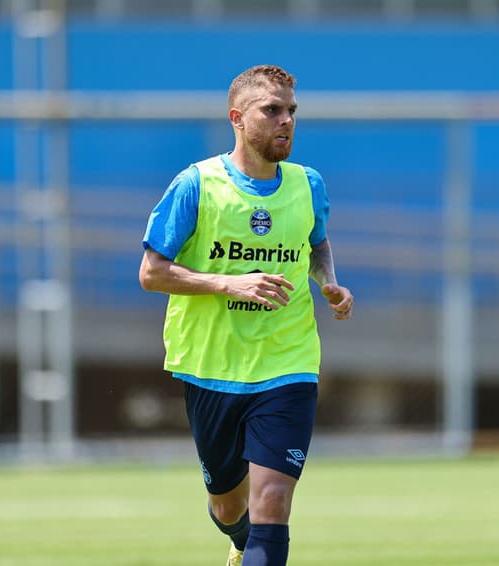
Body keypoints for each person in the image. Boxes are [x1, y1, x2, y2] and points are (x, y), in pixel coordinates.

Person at [139, 64, 354, 566]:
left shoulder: (308, 184)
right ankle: (239, 540)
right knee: (229, 505)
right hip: (212, 366)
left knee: (273, 501)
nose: (286, 121)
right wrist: (228, 282)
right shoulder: (196, 185)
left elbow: (315, 241)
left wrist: (329, 284)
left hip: (288, 362)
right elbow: (152, 273)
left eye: (292, 112)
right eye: (272, 110)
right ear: (238, 118)